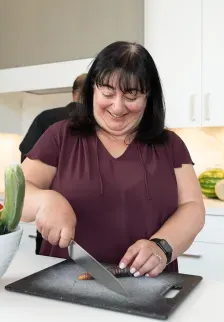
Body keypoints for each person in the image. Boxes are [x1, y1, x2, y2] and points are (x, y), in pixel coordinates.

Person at [20, 41, 205, 278]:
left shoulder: (171, 145)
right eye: (108, 93)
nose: (118, 107)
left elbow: (192, 207)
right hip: (63, 281)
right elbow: (17, 194)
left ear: (149, 97)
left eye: (132, 95)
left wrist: (162, 247)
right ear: (92, 91)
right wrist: (45, 200)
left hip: (148, 284)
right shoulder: (60, 135)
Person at [19, 73, 87, 254]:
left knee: (49, 257)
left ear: (74, 94)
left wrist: (40, 197)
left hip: (49, 219)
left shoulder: (46, 118)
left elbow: (24, 164)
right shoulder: (59, 128)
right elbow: (23, 184)